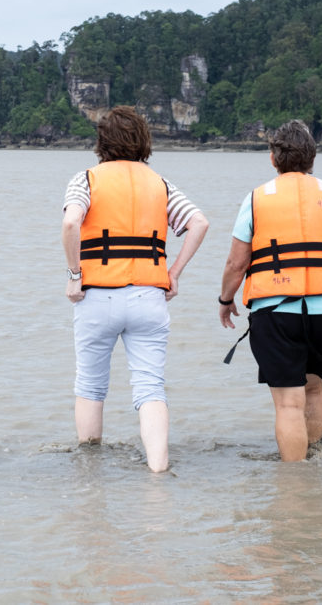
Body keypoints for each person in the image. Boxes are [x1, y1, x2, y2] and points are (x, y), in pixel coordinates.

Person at [61, 106, 209, 473]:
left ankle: (90, 472)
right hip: (148, 298)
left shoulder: (86, 180)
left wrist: (74, 273)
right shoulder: (160, 183)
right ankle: (158, 469)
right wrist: (174, 272)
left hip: (97, 295)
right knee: (150, 389)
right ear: (144, 141)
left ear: (101, 142)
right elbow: (199, 222)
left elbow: (70, 223)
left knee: (91, 386)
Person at [217, 119, 322, 461]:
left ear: (273, 158)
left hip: (277, 313)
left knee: (288, 402)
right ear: (312, 159)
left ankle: (295, 485)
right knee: (315, 390)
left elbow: (236, 264)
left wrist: (225, 300)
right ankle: (314, 469)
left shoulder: (256, 199)